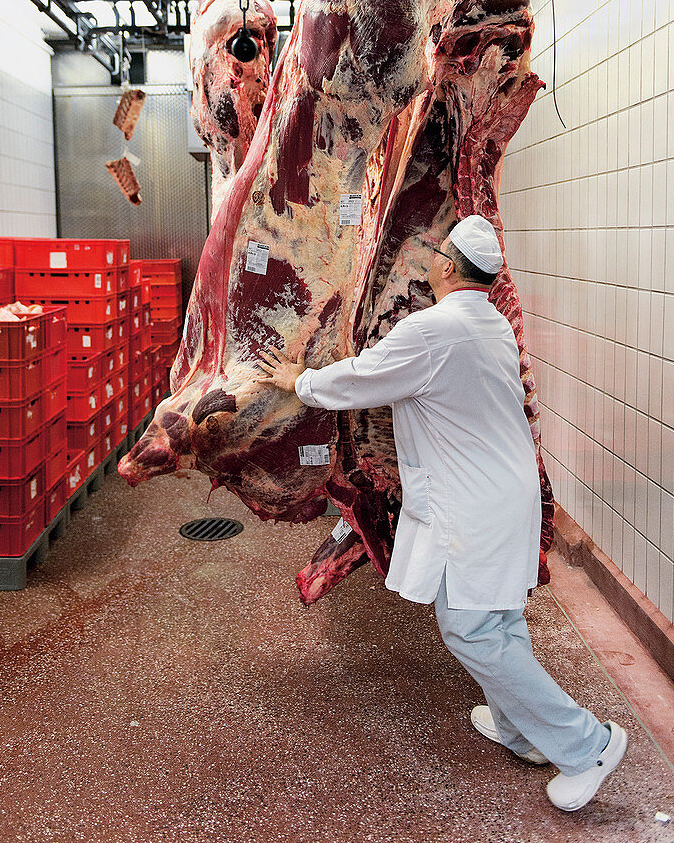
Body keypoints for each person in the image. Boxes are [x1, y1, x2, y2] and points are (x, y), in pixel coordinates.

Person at [256, 214, 628, 812]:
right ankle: (519, 730)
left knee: (472, 629)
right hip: (505, 494)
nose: (428, 258)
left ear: (450, 268)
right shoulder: (492, 325)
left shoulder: (434, 330)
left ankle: (588, 745)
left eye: (436, 253)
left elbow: (363, 378)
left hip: (476, 503)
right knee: (501, 621)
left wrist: (301, 381)